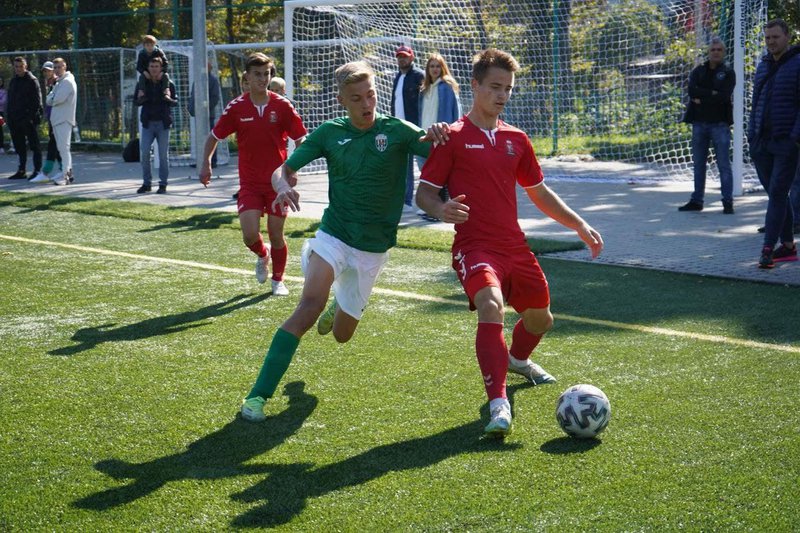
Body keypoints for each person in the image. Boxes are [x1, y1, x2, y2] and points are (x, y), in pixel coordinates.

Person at [238, 60, 447, 422]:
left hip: (373, 248)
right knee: (308, 307)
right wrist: (283, 185)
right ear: (342, 101)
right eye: (357, 98)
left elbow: (445, 149)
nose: (367, 105)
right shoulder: (329, 134)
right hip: (334, 234)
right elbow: (282, 170)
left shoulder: (397, 131)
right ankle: (256, 397)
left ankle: (339, 301)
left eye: (371, 96)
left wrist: (447, 132)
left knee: (342, 336)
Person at [416, 49, 604, 438]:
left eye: (508, 89)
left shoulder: (516, 139)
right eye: (495, 87)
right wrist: (441, 209)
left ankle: (518, 359)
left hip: (515, 248)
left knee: (541, 319)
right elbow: (425, 195)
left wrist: (579, 225)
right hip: (475, 247)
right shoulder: (450, 137)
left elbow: (540, 192)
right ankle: (498, 403)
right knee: (491, 305)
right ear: (475, 86)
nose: (502, 95)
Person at [198, 53, 307, 296]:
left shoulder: (282, 105)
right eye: (257, 74)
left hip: (277, 184)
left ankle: (278, 280)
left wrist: (292, 170)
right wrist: (205, 163)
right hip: (249, 184)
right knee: (249, 235)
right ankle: (262, 253)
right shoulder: (236, 107)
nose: (262, 78)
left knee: (276, 233)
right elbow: (214, 136)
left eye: (266, 74)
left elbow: (302, 139)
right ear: (246, 77)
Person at [747, 19, 800, 269]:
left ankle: (767, 249)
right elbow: (755, 102)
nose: (771, 42)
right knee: (776, 194)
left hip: (786, 143)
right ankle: (788, 247)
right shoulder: (763, 66)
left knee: (778, 193)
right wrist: (751, 134)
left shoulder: (798, 64)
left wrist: (794, 137)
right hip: (761, 143)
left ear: (787, 37)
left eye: (775, 37)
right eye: (767, 38)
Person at [679, 37, 736, 214]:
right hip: (699, 124)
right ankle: (697, 200)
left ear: (724, 52)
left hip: (720, 125)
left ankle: (727, 202)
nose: (716, 52)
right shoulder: (698, 71)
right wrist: (711, 94)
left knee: (724, 165)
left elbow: (724, 96)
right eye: (713, 50)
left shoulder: (728, 73)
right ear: (708, 52)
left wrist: (702, 98)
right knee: (698, 164)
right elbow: (691, 91)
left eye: (719, 49)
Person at [416, 53, 462, 220]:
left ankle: (438, 210)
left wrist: (450, 133)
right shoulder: (425, 89)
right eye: (431, 66)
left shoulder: (447, 87)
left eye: (437, 66)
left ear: (442, 68)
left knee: (439, 175)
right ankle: (431, 208)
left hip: (440, 136)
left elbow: (455, 112)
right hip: (425, 135)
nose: (434, 69)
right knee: (426, 172)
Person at [390, 45, 425, 211]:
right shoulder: (397, 77)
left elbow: (424, 102)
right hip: (399, 128)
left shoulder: (419, 76)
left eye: (405, 56)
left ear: (412, 58)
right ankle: (406, 201)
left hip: (415, 128)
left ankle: (428, 201)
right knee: (403, 165)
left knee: (423, 164)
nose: (402, 59)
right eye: (399, 56)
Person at [136, 56, 177, 194]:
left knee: (163, 155)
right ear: (148, 68)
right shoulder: (142, 83)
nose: (154, 69)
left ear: (161, 68)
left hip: (163, 123)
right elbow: (136, 101)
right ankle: (147, 183)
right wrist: (143, 98)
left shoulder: (168, 83)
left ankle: (163, 184)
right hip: (148, 123)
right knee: (145, 152)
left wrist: (167, 98)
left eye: (156, 67)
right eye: (151, 66)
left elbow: (175, 102)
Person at [6, 57, 43, 180]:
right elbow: (10, 100)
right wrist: (9, 117)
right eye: (16, 66)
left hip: (28, 119)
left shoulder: (32, 80)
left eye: (20, 66)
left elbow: (37, 102)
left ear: (25, 66)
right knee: (19, 146)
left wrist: (30, 118)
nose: (18, 69)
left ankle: (37, 170)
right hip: (15, 120)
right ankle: (21, 170)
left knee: (34, 145)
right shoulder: (14, 81)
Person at [188, 65, 221, 167]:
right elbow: (193, 96)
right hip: (198, 115)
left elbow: (215, 98)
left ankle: (212, 161)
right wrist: (191, 108)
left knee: (210, 138)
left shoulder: (213, 80)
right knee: (199, 139)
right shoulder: (197, 80)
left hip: (208, 116)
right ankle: (200, 161)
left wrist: (204, 110)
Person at [135, 35, 172, 103]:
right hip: (148, 74)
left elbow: (166, 63)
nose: (150, 47)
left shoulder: (159, 52)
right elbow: (139, 66)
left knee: (166, 76)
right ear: (144, 45)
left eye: (151, 45)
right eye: (147, 45)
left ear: (154, 45)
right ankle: (141, 95)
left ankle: (166, 94)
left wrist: (162, 72)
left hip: (158, 74)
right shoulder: (142, 54)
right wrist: (144, 72)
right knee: (141, 77)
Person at [0, 75, 7, 154]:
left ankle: (1, 146)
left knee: (0, 130)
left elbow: (3, 102)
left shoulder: (3, 91)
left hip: (0, 112)